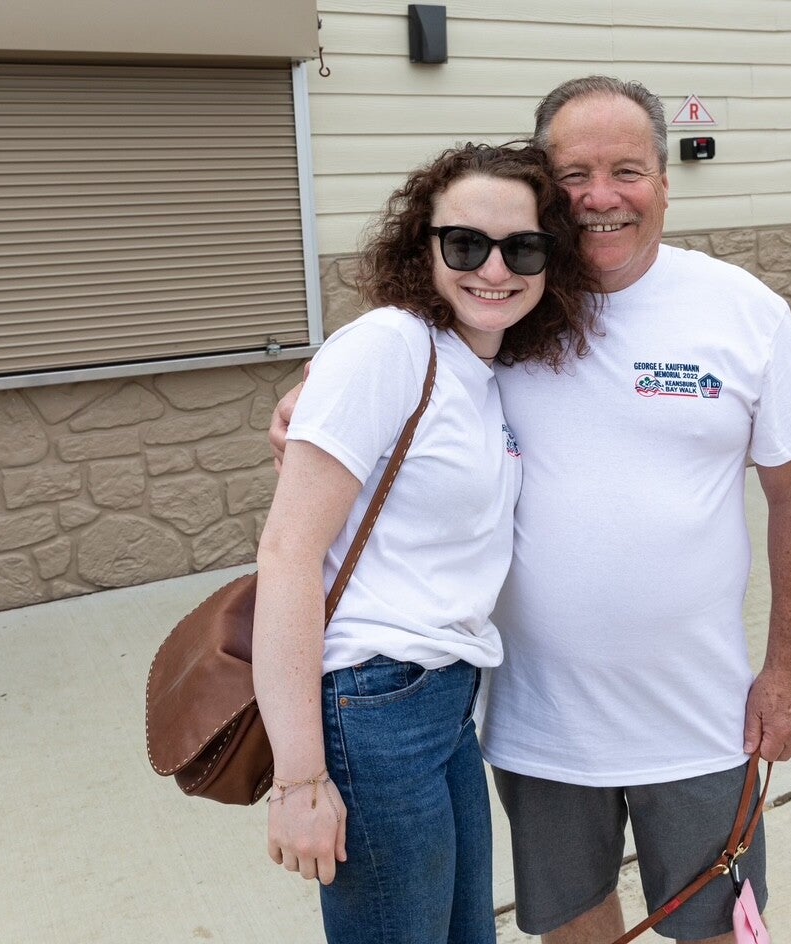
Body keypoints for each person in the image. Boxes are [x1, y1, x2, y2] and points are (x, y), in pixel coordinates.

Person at [272, 77, 791, 944]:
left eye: (627, 171)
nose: (602, 196)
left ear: (664, 182)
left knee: (718, 932)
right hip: (540, 727)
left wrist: (788, 671)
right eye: (575, 174)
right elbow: (392, 355)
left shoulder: (743, 312)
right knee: (571, 930)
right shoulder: (511, 315)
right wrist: (308, 388)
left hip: (701, 718)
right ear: (546, 188)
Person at [251, 142, 592, 944]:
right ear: (424, 247)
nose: (494, 269)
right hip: (372, 700)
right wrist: (298, 781)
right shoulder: (389, 346)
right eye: (465, 244)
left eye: (523, 248)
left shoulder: (482, 366)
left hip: (445, 696)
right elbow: (287, 554)